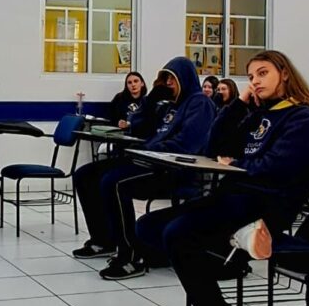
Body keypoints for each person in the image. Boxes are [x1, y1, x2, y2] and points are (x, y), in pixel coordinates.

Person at [137, 51, 309, 306]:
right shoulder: (260, 112)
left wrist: (238, 164)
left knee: (178, 234)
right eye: (251, 76)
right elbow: (214, 146)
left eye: (263, 73)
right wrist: (240, 104)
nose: (255, 81)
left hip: (268, 204)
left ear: (284, 73)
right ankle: (238, 238)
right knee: (147, 226)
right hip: (235, 198)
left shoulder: (302, 118)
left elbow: (277, 168)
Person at [71, 56, 213, 276]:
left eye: (172, 80)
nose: (168, 84)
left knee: (114, 183)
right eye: (165, 79)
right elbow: (137, 126)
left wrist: (150, 148)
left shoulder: (199, 103)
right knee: (85, 174)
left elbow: (187, 144)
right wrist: (151, 99)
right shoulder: (169, 104)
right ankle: (103, 240)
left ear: (184, 79)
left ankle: (130, 255)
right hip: (152, 160)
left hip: (174, 170)